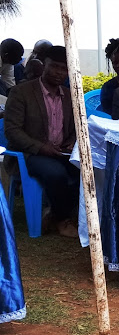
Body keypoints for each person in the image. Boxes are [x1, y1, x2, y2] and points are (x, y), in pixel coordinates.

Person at [3, 46, 80, 238]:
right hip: (29, 153)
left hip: (61, 152)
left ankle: (53, 213)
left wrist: (71, 142)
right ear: (43, 64)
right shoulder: (21, 92)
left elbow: (76, 129)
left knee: (87, 170)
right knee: (56, 173)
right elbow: (12, 131)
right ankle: (61, 220)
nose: (58, 72)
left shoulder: (69, 95)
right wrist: (42, 148)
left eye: (64, 68)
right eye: (54, 66)